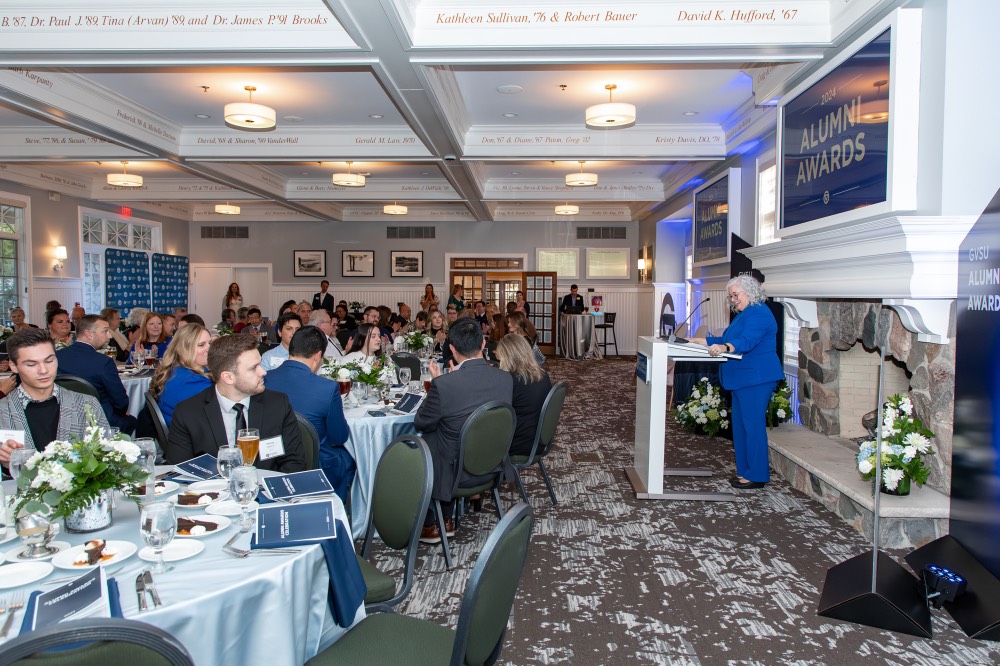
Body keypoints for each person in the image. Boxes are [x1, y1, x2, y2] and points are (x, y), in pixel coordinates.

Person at [414, 318, 513, 543]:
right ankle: (445, 517)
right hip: (493, 464)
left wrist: (437, 385)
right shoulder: (505, 378)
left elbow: (421, 422)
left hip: (456, 473)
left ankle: (433, 522)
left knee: (423, 439)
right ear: (483, 343)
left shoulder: (445, 385)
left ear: (451, 349)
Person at [691, 275, 784, 490]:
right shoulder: (746, 313)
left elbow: (746, 341)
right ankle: (745, 472)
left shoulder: (759, 312)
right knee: (741, 428)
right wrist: (698, 341)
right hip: (743, 379)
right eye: (730, 296)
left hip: (756, 379)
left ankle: (757, 475)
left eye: (735, 295)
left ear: (750, 291)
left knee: (753, 427)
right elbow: (728, 339)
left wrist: (725, 348)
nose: (733, 300)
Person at [165, 333, 305, 472]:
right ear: (228, 377)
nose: (263, 372)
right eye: (253, 368)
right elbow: (181, 471)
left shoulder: (277, 405)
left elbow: (294, 463)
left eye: (260, 364)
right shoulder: (188, 413)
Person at [263, 326, 353, 503]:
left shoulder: (265, 379)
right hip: (316, 465)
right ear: (318, 356)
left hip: (271, 460)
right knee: (350, 460)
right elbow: (338, 437)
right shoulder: (327, 388)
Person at [0, 328, 109, 467]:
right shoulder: (3, 411)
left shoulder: (86, 404)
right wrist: (3, 463)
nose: (43, 370)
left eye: (49, 361)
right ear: (13, 366)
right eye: (31, 364)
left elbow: (107, 459)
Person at [55, 314, 137, 434]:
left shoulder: (56, 357)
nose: (109, 336)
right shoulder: (103, 362)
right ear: (89, 334)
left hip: (65, 419)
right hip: (101, 420)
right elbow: (121, 402)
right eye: (105, 331)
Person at [496, 333, 552, 457]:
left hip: (518, 444)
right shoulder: (543, 375)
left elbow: (497, 413)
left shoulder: (511, 382)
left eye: (500, 360)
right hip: (538, 439)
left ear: (508, 358)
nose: (499, 364)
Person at [150, 323, 213, 426]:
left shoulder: (175, 371)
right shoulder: (190, 381)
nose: (209, 348)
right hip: (191, 433)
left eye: (210, 343)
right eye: (201, 345)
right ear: (184, 349)